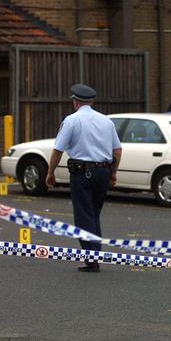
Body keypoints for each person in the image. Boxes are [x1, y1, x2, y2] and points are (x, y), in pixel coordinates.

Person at [45, 84, 122, 272]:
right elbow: (117, 151)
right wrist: (113, 172)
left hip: (82, 173)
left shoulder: (71, 121)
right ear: (92, 101)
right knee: (94, 214)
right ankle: (95, 255)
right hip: (103, 171)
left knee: (84, 216)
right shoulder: (106, 121)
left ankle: (92, 258)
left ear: (75, 102)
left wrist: (50, 172)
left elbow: (58, 150)